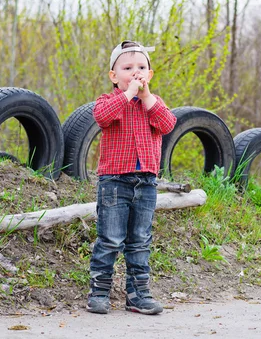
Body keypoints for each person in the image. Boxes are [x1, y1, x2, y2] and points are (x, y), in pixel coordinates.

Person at [87, 40, 177, 315]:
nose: (135, 72)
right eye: (127, 68)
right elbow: (101, 117)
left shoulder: (154, 104)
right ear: (114, 77)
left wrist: (146, 96)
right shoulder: (110, 101)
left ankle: (138, 294)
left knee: (140, 240)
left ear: (149, 75)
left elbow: (167, 124)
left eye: (141, 68)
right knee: (111, 238)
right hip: (115, 180)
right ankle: (99, 292)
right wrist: (127, 94)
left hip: (147, 181)